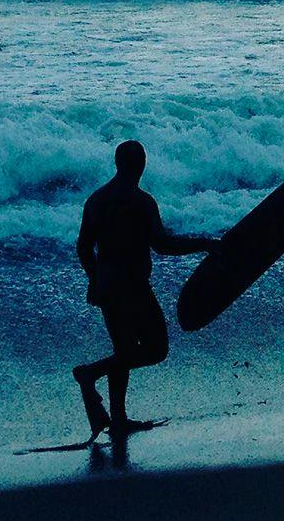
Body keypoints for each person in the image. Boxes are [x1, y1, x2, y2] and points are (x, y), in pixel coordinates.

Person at [72, 140, 219, 438]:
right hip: (133, 285)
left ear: (117, 163)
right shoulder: (141, 202)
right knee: (156, 349)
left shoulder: (97, 199)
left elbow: (83, 246)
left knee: (123, 351)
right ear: (141, 165)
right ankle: (90, 373)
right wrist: (202, 244)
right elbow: (162, 245)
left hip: (108, 285)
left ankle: (118, 418)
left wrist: (94, 277)